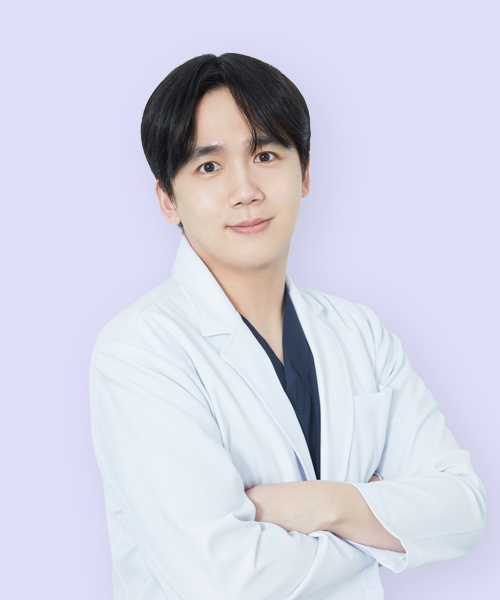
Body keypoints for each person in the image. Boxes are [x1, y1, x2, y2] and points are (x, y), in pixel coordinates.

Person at [89, 53, 486, 599]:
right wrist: (382, 519)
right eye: (209, 167)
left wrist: (323, 503)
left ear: (304, 175)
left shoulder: (359, 333)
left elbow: (462, 511)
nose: (245, 189)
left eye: (265, 155)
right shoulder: (141, 352)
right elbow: (224, 581)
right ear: (167, 200)